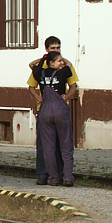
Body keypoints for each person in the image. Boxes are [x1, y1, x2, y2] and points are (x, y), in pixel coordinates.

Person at [27, 36, 78, 185]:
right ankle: (48, 175)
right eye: (53, 49)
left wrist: (67, 95)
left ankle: (55, 177)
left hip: (46, 110)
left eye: (58, 48)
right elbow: (31, 86)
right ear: (47, 50)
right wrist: (38, 97)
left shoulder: (42, 68)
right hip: (54, 109)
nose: (56, 51)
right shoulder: (58, 67)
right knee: (57, 145)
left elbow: (73, 86)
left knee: (51, 146)